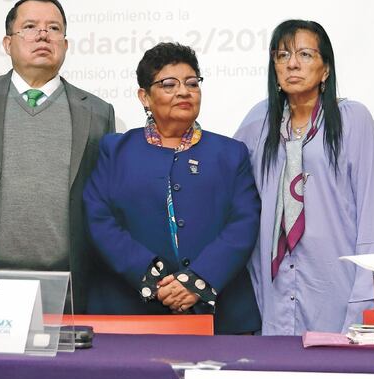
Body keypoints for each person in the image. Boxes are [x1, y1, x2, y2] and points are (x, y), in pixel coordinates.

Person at [0, 0, 114, 311]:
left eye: (53, 28)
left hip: (63, 284)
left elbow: (104, 198)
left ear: (65, 45)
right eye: (30, 26)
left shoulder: (97, 112)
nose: (43, 35)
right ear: (7, 43)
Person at [83, 42, 260, 334]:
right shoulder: (115, 150)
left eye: (192, 83)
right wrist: (154, 279)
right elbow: (99, 219)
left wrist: (195, 282)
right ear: (144, 96)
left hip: (220, 316)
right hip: (128, 312)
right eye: (169, 84)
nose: (183, 92)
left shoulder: (230, 153)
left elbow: (244, 223)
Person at [234, 20, 374, 335]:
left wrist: (364, 300)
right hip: (274, 287)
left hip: (337, 283)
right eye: (282, 55)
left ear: (326, 69)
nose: (292, 63)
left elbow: (372, 214)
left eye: (305, 54)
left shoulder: (353, 119)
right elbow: (233, 194)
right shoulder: (258, 122)